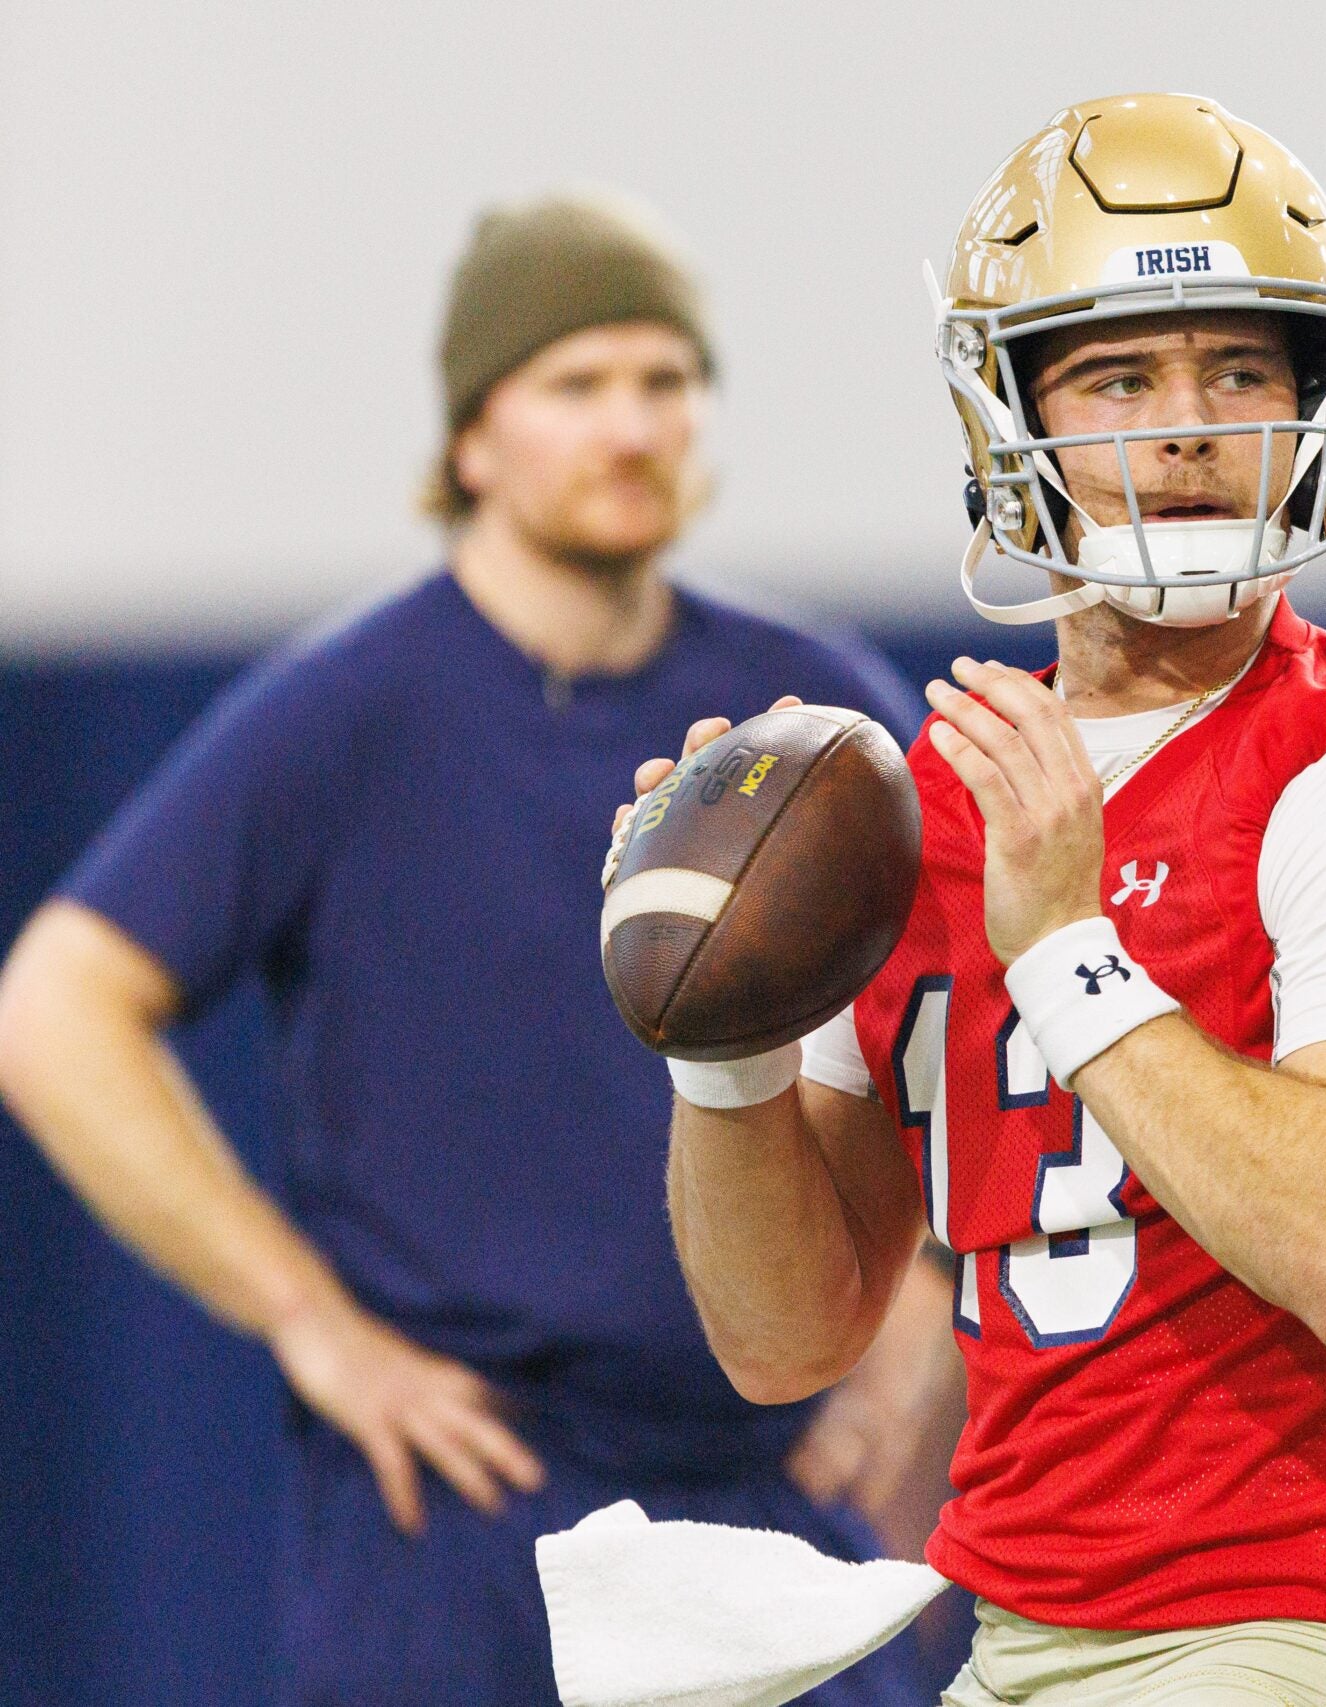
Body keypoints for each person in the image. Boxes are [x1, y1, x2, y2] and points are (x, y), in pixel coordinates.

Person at [628, 94, 1326, 1705]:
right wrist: (723, 1031)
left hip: (1308, 1630)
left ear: (1313, 406)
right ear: (1005, 421)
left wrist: (1066, 945)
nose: (1187, 428)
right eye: (1120, 375)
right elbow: (787, 1338)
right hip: (1027, 1633)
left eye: (1241, 372)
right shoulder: (917, 810)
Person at [0, 190, 931, 1706]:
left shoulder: (798, 713)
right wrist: (309, 1322)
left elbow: (933, 1021)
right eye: (575, 384)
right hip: (464, 1505)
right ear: (472, 440)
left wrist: (912, 1305)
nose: (631, 424)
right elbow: (55, 1005)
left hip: (758, 1492)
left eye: (664, 380)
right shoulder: (356, 707)